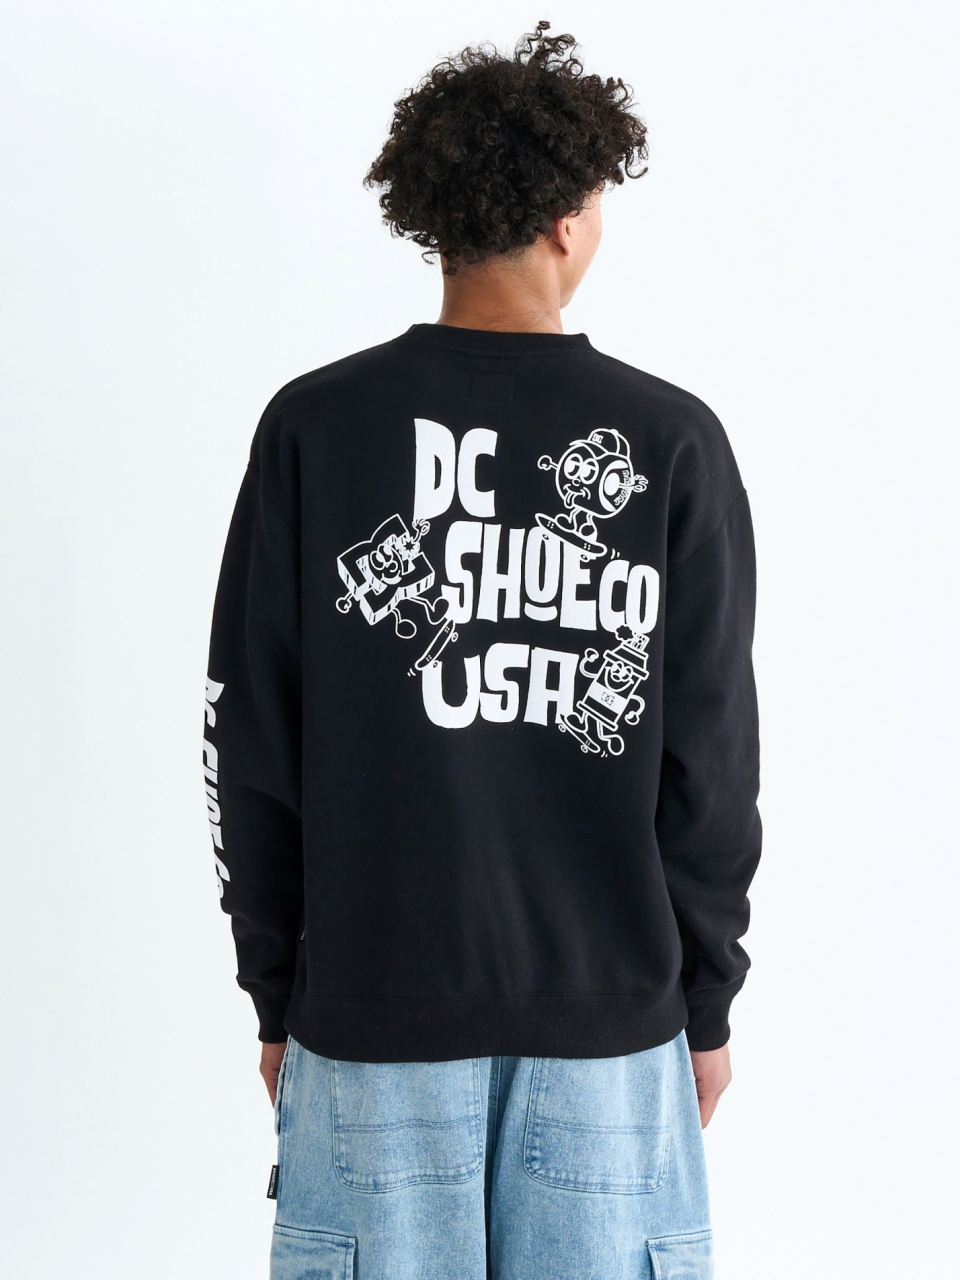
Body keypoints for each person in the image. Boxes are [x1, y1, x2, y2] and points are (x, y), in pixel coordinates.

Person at [203, 21, 761, 1280]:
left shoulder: (316, 427)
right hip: (609, 1028)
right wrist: (705, 1002)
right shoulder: (672, 440)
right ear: (568, 216)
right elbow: (713, 762)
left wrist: (277, 989)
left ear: (438, 217)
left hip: (372, 1018)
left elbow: (248, 737)